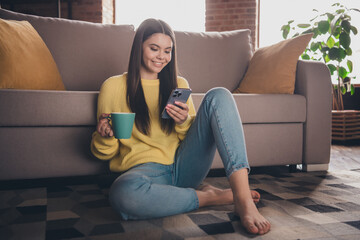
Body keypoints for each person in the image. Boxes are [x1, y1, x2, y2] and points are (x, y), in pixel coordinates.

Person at [91, 18, 271, 235]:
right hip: (142, 173)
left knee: (219, 95)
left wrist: (183, 121)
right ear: (138, 47)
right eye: (154, 48)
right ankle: (208, 197)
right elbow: (104, 154)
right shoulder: (112, 87)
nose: (161, 56)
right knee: (122, 194)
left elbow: (190, 138)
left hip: (184, 166)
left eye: (168, 51)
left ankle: (242, 199)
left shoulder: (179, 85)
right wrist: (105, 137)